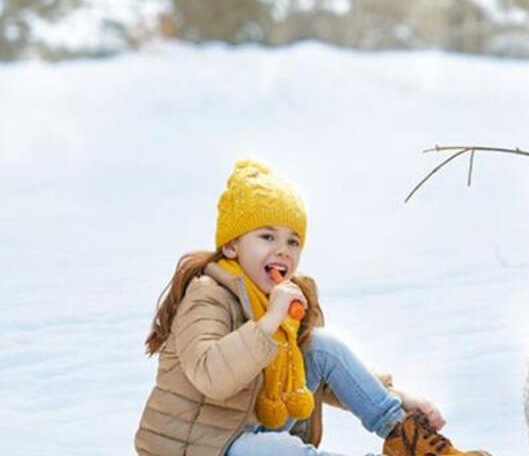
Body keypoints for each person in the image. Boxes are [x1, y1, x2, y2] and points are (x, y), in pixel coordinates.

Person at [135, 159, 491, 456]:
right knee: (282, 451)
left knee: (321, 348)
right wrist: (268, 323)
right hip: (198, 447)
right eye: (267, 237)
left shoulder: (289, 298)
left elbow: (320, 381)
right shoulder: (207, 295)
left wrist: (397, 397)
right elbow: (211, 376)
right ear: (231, 247)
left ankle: (410, 440)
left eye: (293, 241)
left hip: (247, 429)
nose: (283, 250)